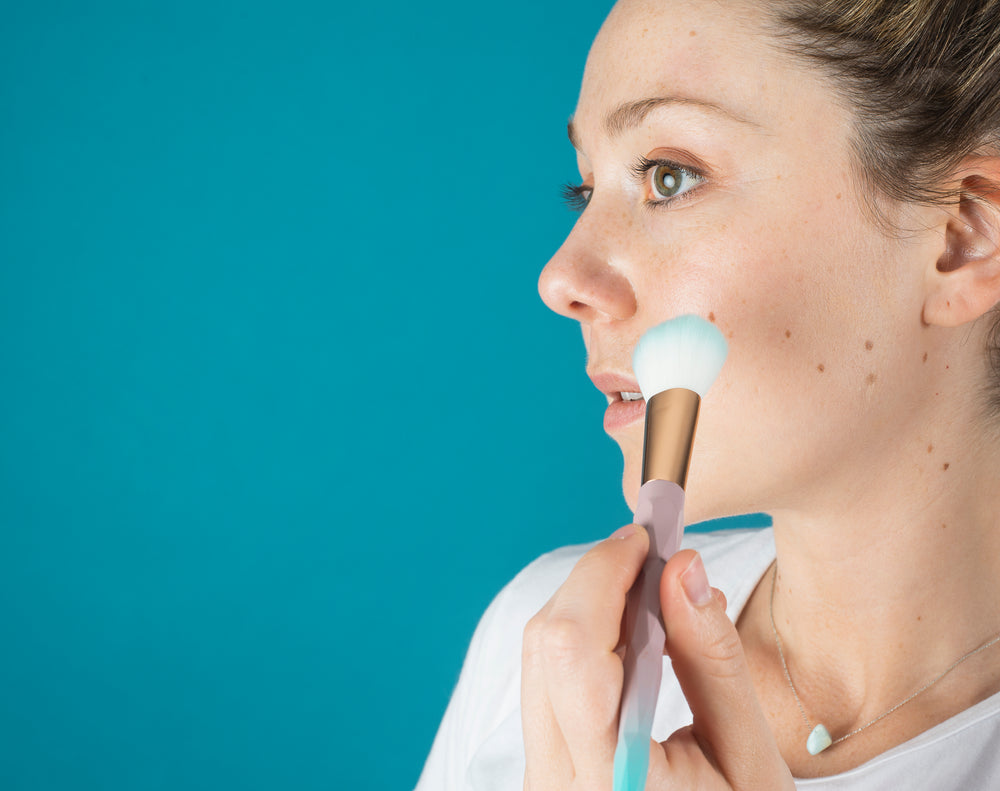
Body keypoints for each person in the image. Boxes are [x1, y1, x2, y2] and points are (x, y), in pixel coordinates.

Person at [416, 0, 1000, 787]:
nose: (561, 279)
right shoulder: (551, 639)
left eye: (669, 176)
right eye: (583, 190)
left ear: (964, 236)